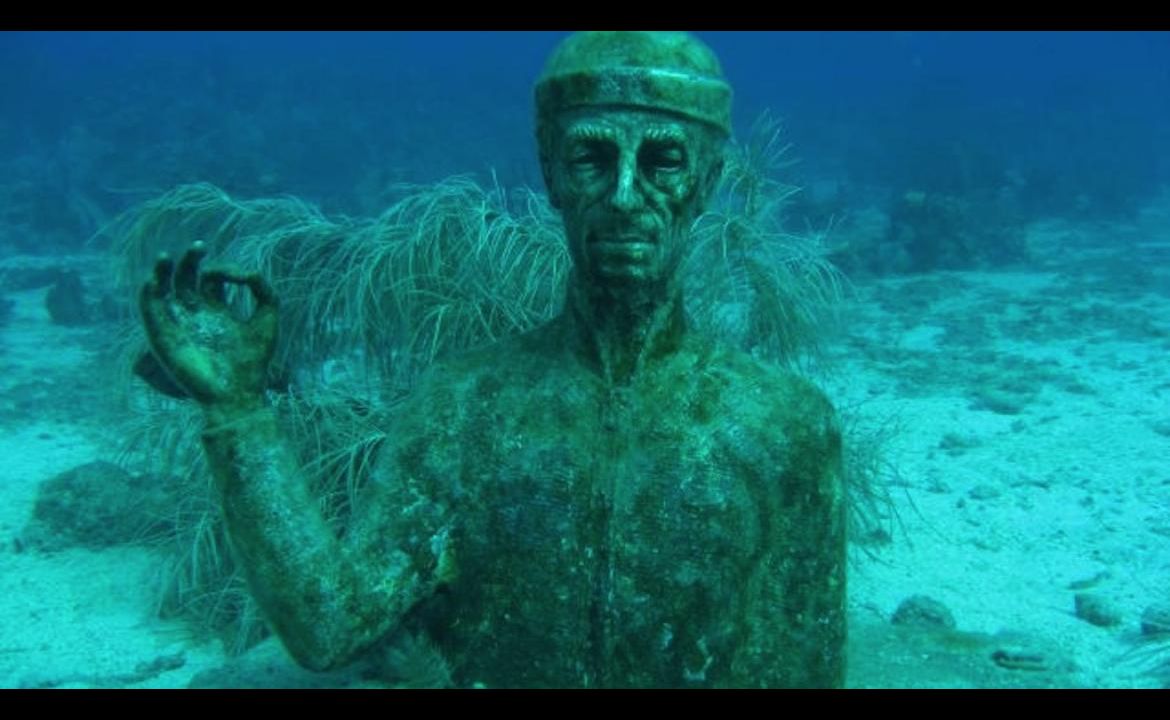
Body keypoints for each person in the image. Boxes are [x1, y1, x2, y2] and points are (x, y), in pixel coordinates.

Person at [139, 31, 846, 688]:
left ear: (708, 179)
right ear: (550, 174)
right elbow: (329, 627)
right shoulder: (463, 406)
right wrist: (237, 413)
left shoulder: (787, 428)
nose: (626, 195)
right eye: (591, 158)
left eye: (662, 160)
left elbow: (801, 670)